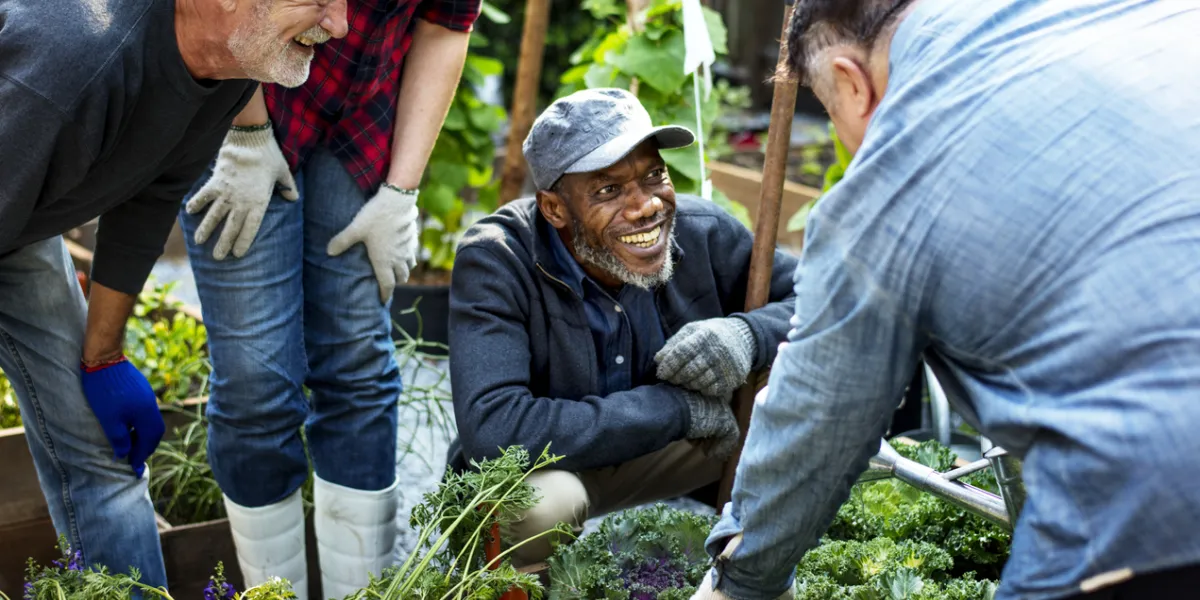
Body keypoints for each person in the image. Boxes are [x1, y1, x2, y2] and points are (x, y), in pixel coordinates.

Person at [689, 1, 1200, 599]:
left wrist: (741, 580)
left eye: (829, 114)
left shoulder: (891, 178)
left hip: (1157, 496)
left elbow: (818, 414)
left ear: (851, 84)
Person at [0, 0, 349, 590]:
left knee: (99, 454)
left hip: (19, 220)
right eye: (318, 0)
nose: (339, 24)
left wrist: (102, 356)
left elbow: (147, 197)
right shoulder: (72, 63)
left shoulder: (225, 73)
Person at [175, 0, 480, 596]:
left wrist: (402, 191)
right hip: (238, 95)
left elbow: (446, 26)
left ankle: (358, 590)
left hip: (362, 119)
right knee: (257, 384)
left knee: (358, 368)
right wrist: (245, 130)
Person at [444, 87, 801, 566]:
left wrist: (747, 335)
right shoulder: (497, 261)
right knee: (535, 509)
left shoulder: (702, 231)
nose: (645, 207)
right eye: (608, 190)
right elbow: (494, 428)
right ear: (554, 209)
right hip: (552, 468)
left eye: (654, 175)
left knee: (797, 390)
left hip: (673, 452)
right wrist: (675, 410)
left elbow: (821, 299)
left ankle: (753, 574)